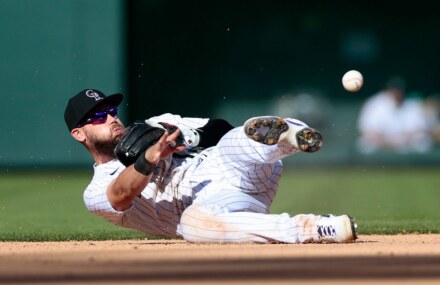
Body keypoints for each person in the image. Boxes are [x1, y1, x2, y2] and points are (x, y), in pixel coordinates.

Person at [64, 89, 357, 243]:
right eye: (99, 116)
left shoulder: (155, 126)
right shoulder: (95, 191)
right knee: (192, 225)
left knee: (235, 139)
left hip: (226, 166)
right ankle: (317, 228)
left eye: (111, 110)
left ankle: (291, 134)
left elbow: (219, 127)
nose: (112, 117)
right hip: (220, 204)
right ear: (79, 134)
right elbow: (121, 194)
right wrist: (151, 157)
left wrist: (187, 137)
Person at [357, 77, 433, 154]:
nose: (397, 93)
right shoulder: (375, 103)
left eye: (399, 90)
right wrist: (389, 141)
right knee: (364, 144)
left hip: (406, 143)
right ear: (388, 90)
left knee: (424, 143)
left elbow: (420, 130)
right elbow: (367, 131)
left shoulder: (412, 104)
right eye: (394, 90)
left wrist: (400, 140)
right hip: (381, 142)